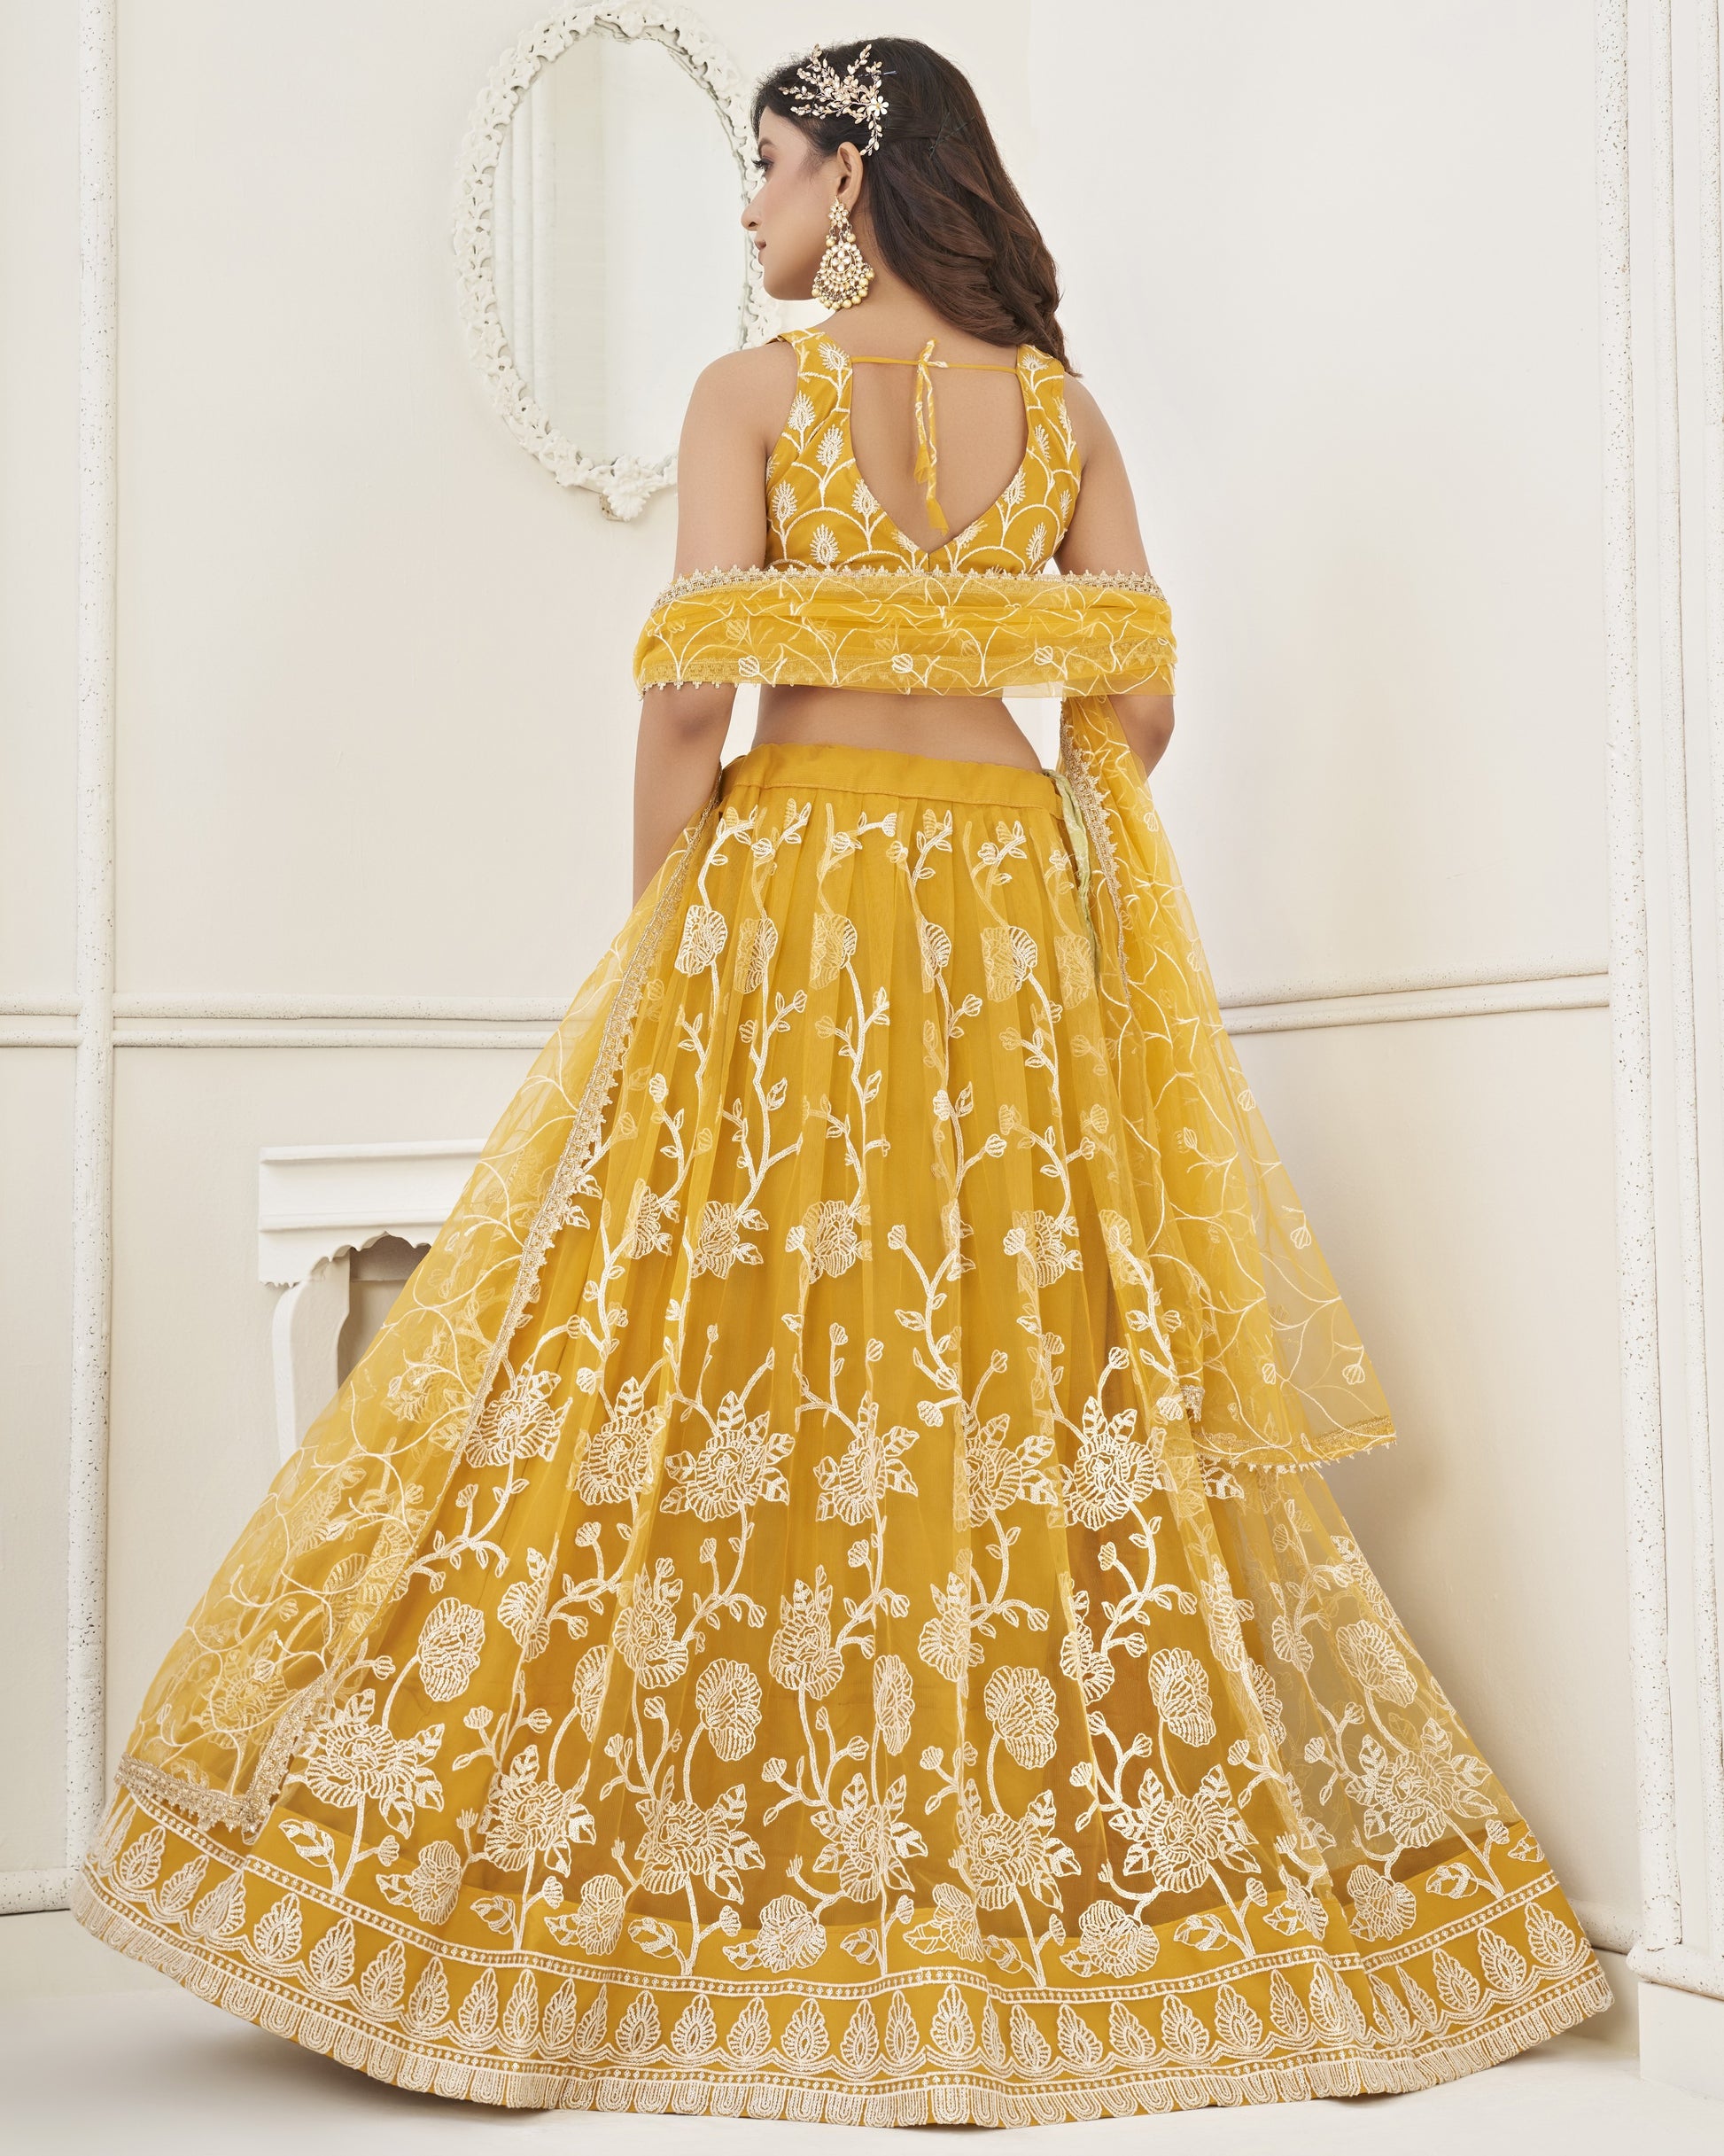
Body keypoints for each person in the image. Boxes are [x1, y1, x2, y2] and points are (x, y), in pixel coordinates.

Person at [74, 37, 1611, 2126]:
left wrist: (655, 941)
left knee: (706, 1350)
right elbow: (1137, 700)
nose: (749, 210)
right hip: (997, 919)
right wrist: (989, 815)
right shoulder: (1060, 411)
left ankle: (626, 1870)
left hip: (783, 904)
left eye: (766, 168)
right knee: (1015, 1351)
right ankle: (1031, 1867)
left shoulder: (747, 401)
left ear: (852, 183)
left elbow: (694, 695)